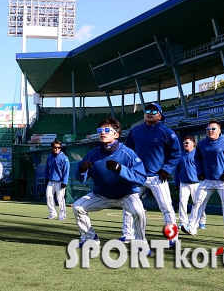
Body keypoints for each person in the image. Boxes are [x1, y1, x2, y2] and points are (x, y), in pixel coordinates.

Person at [73, 118, 149, 250]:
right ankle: (90, 238)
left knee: (139, 211)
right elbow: (81, 179)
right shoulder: (92, 154)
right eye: (100, 130)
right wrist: (81, 170)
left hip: (126, 195)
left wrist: (121, 169)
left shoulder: (128, 153)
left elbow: (141, 178)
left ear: (117, 135)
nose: (103, 132)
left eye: (107, 130)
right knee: (78, 207)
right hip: (102, 195)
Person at [121, 102, 181, 246]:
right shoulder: (135, 131)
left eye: (154, 111)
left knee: (166, 207)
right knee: (128, 206)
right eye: (148, 110)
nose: (150, 113)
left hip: (157, 176)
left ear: (160, 116)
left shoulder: (167, 132)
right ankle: (127, 234)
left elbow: (176, 153)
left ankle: (172, 238)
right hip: (137, 175)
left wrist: (167, 169)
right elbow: (127, 152)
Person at [182, 120, 224, 239]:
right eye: (208, 129)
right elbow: (197, 159)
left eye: (213, 129)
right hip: (206, 179)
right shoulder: (202, 144)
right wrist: (200, 172)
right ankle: (191, 227)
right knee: (197, 202)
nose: (210, 131)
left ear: (219, 130)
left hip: (223, 179)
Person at [175, 135, 207, 229]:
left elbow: (203, 167)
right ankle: (183, 222)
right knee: (182, 202)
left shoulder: (197, 154)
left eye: (187, 143)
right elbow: (177, 170)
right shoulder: (181, 155)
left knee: (198, 203)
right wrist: (177, 183)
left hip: (196, 183)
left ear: (193, 143)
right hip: (183, 183)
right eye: (184, 143)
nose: (185, 144)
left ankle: (202, 221)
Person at [44, 139, 70, 220]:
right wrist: (46, 179)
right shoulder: (49, 157)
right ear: (52, 147)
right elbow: (47, 169)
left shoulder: (64, 158)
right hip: (51, 181)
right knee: (48, 196)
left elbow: (66, 171)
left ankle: (62, 214)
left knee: (60, 199)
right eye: (55, 147)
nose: (57, 149)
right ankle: (53, 213)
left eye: (59, 147)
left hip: (60, 181)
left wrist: (64, 182)